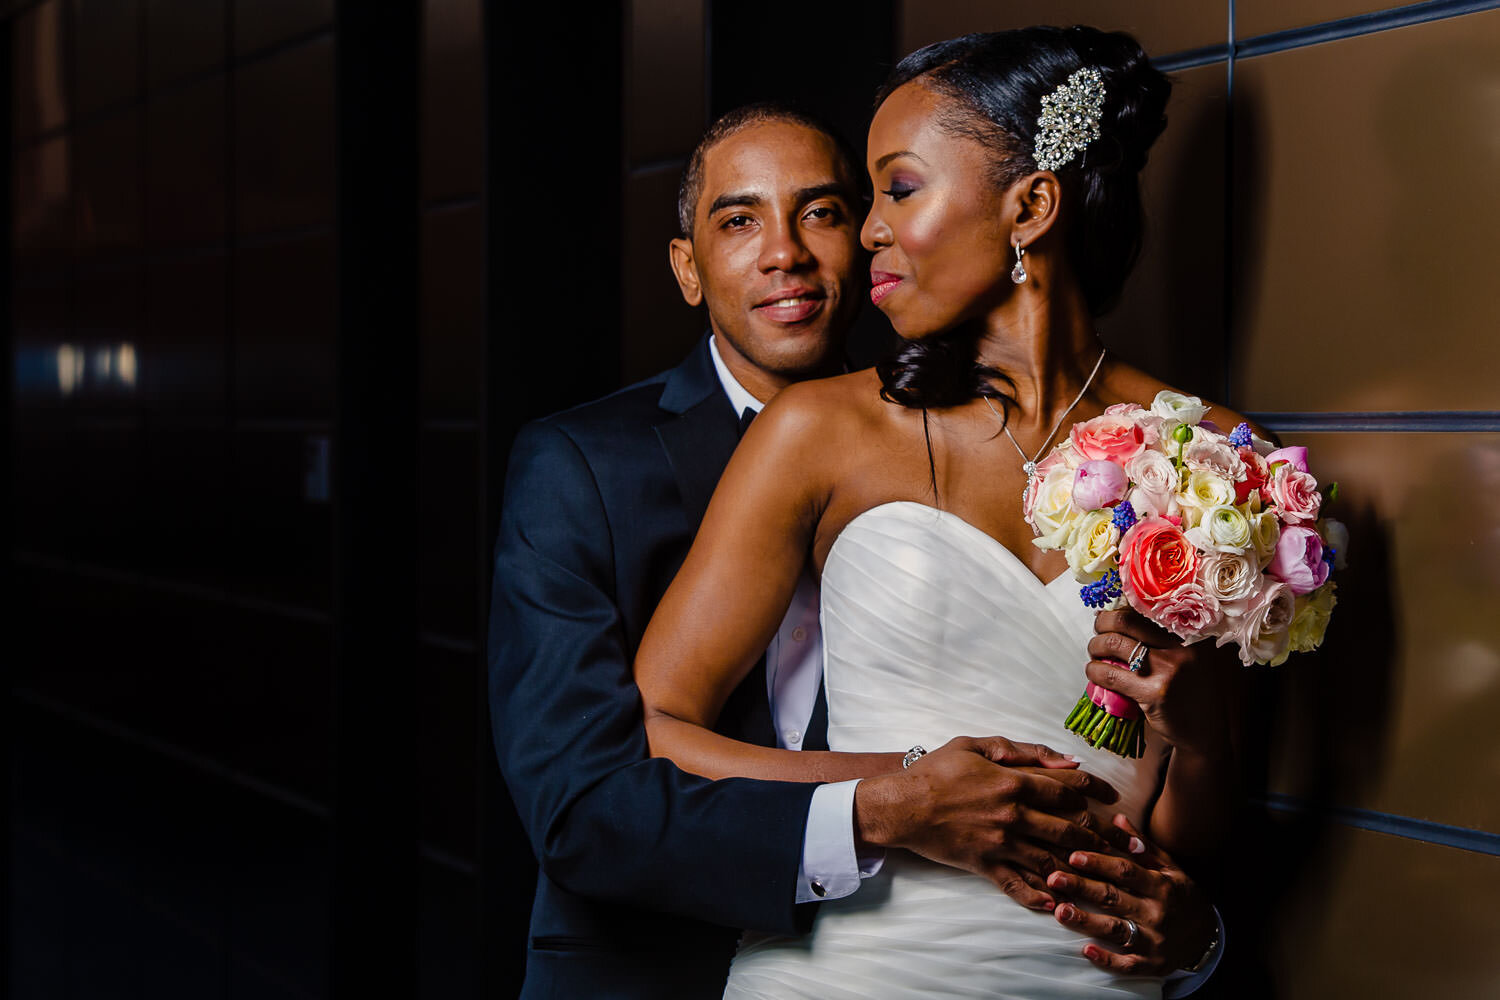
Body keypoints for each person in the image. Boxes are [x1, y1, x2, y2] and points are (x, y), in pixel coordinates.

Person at [490, 101, 1189, 1000]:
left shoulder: (1007, 444)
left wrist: (1191, 936)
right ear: (687, 270)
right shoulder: (579, 468)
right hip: (661, 971)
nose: (786, 252)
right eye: (739, 221)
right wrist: (896, 799)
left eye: (820, 213)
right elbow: (583, 808)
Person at [635, 27, 1244, 999]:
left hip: (1087, 978)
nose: (867, 228)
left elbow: (1168, 829)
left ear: (1031, 206)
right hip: (848, 973)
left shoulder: (1208, 460)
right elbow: (660, 729)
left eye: (899, 189)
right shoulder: (820, 431)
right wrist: (898, 795)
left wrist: (1200, 783)